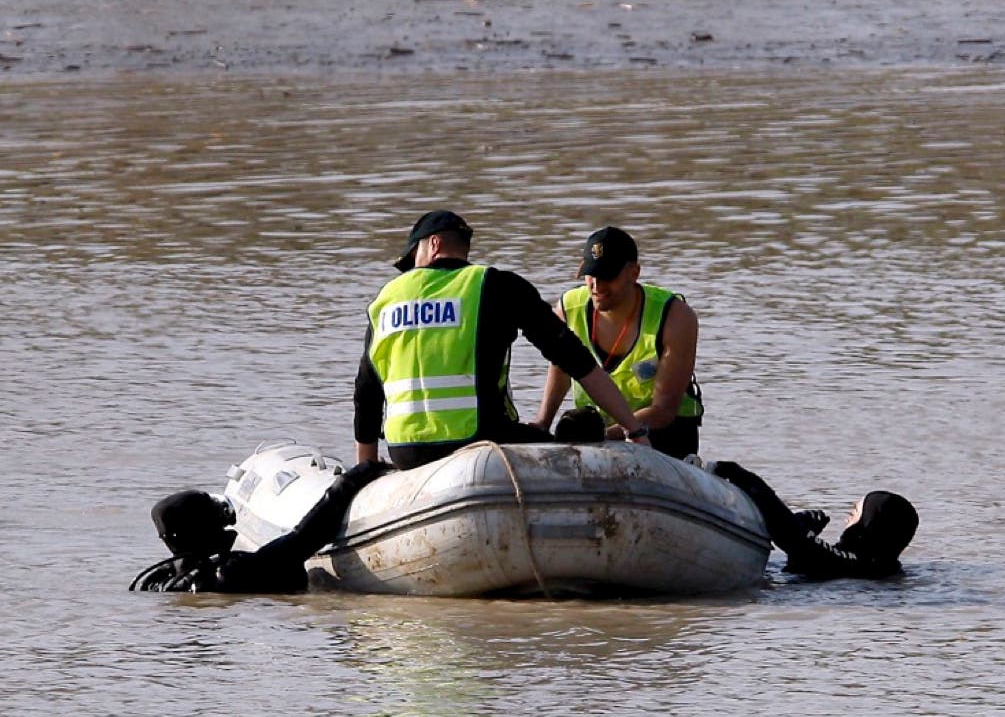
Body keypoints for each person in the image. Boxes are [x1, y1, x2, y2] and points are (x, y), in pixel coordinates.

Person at [353, 210, 651, 470]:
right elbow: (575, 359)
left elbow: (366, 392)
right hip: (482, 444)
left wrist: (366, 469)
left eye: (411, 259)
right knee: (580, 430)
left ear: (433, 244)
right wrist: (634, 428)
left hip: (406, 453)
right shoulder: (496, 286)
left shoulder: (385, 301)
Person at [533, 226, 704, 460]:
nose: (597, 286)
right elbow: (561, 369)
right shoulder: (568, 309)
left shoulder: (676, 317)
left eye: (608, 276)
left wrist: (604, 436)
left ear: (634, 272)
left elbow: (664, 411)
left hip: (662, 434)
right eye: (591, 275)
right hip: (596, 432)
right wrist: (543, 424)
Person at [130, 460, 387, 593]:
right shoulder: (233, 571)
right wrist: (354, 478)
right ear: (204, 529)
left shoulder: (155, 580)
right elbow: (306, 537)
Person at [706, 459, 919, 579]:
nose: (847, 520)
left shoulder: (859, 564)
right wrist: (804, 530)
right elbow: (804, 546)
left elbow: (793, 539)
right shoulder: (880, 567)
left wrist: (740, 476)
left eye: (854, 513)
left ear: (869, 524)